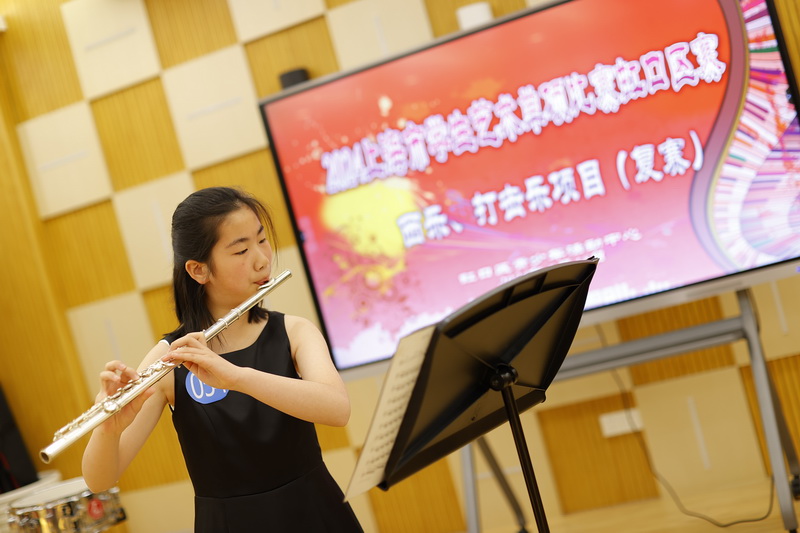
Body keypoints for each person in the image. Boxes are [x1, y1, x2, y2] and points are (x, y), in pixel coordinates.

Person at [82, 186, 363, 532]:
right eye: (241, 250)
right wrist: (107, 430)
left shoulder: (295, 331)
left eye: (262, 240)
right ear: (199, 270)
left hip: (315, 512)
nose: (262, 259)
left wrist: (236, 377)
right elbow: (100, 479)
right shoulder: (171, 358)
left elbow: (337, 409)